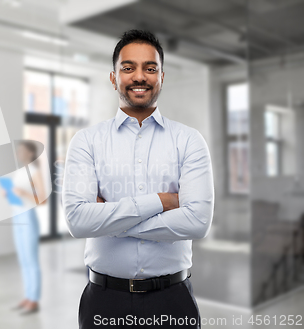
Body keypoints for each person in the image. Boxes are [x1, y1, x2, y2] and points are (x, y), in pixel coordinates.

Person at [62, 30, 214, 328]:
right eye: (128, 68)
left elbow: (198, 221)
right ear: (113, 77)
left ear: (162, 76)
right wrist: (162, 201)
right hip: (104, 300)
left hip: (173, 299)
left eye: (150, 68)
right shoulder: (87, 141)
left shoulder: (189, 141)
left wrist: (110, 221)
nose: (139, 76)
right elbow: (78, 221)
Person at [9, 141, 46, 315]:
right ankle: (28, 296)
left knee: (31, 260)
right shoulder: (19, 172)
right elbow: (15, 193)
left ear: (30, 153)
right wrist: (8, 193)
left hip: (28, 217)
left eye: (21, 151)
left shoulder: (35, 171)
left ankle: (34, 299)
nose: (18, 153)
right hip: (16, 215)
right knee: (23, 259)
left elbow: (43, 199)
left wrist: (23, 193)